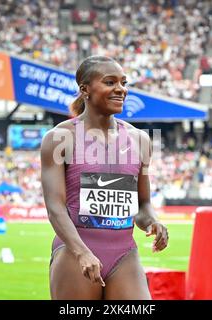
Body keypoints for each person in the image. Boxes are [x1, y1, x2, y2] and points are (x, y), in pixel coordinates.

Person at [41, 55, 169, 300]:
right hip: (74, 252)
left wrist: (153, 222)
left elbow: (141, 205)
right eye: (110, 82)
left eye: (123, 82)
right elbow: (55, 208)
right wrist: (81, 253)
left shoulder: (140, 140)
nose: (120, 89)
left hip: (124, 253)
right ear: (85, 90)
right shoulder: (60, 138)